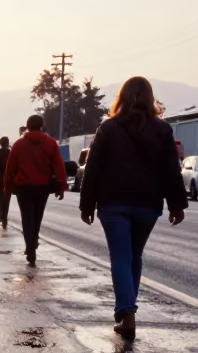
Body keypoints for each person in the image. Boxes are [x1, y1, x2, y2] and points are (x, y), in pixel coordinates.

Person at [80, 77, 187, 339]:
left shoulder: (108, 128)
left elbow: (92, 168)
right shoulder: (162, 130)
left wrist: (87, 204)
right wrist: (176, 204)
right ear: (150, 98)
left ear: (122, 97)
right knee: (134, 256)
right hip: (147, 204)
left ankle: (127, 313)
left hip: (113, 203)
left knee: (120, 256)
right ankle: (128, 312)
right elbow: (171, 170)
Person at [4, 114, 67, 266]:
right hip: (42, 186)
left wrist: (7, 186)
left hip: (23, 187)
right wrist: (61, 186)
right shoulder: (51, 144)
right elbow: (59, 166)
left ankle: (30, 246)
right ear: (41, 126)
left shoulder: (19, 144)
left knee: (27, 218)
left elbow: (10, 167)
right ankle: (34, 240)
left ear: (28, 126)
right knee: (37, 217)